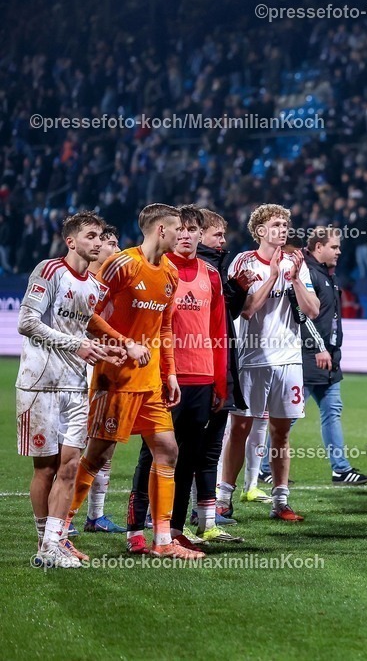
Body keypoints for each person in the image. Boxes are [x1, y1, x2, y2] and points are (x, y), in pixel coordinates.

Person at [66, 203, 196, 558]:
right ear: (160, 231)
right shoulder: (122, 264)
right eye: (178, 229)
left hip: (150, 380)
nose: (183, 235)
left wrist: (169, 372)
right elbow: (87, 312)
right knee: (98, 454)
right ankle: (60, 530)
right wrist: (125, 343)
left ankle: (163, 541)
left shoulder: (170, 273)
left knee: (168, 450)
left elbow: (165, 326)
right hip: (116, 377)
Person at [17, 212, 124, 567]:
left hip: (76, 386)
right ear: (72, 241)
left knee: (70, 466)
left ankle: (53, 544)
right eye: (90, 236)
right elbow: (27, 322)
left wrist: (106, 349)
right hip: (40, 384)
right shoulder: (49, 271)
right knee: (45, 469)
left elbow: (80, 333)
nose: (97, 242)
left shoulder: (95, 288)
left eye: (100, 237)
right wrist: (74, 345)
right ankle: (42, 540)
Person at [125, 205, 231, 549]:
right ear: (169, 232)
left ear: (201, 235)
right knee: (152, 454)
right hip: (163, 377)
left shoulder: (211, 275)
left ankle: (174, 529)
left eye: (192, 230)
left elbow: (218, 332)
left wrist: (220, 382)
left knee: (187, 457)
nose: (185, 235)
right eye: (180, 229)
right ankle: (135, 530)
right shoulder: (159, 269)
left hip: (201, 378)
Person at [218, 204, 320, 523]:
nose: (283, 229)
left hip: (288, 359)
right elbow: (246, 310)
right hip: (252, 359)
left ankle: (280, 501)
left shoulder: (296, 263)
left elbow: (313, 310)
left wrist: (295, 281)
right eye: (276, 224)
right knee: (240, 428)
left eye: (286, 224)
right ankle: (223, 499)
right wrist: (273, 276)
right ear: (260, 230)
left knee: (281, 432)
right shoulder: (243, 262)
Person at [196, 208, 251, 536]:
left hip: (220, 366)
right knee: (182, 449)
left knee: (209, 448)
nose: (223, 239)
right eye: (217, 234)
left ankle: (206, 520)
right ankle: (163, 521)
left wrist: (237, 289)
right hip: (200, 370)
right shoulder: (195, 268)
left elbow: (222, 315)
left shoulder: (215, 268)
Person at [302, 227, 367, 485]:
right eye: (334, 247)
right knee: (288, 417)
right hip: (310, 357)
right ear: (318, 247)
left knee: (332, 411)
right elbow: (302, 317)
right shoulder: (308, 273)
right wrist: (317, 348)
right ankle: (263, 465)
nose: (339, 251)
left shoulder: (326, 274)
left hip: (328, 357)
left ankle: (340, 469)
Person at [81, 224, 128, 535]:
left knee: (105, 442)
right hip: (83, 366)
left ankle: (95, 515)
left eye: (115, 242)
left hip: (109, 366)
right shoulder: (85, 283)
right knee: (76, 444)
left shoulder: (119, 285)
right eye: (109, 243)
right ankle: (61, 516)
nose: (114, 249)